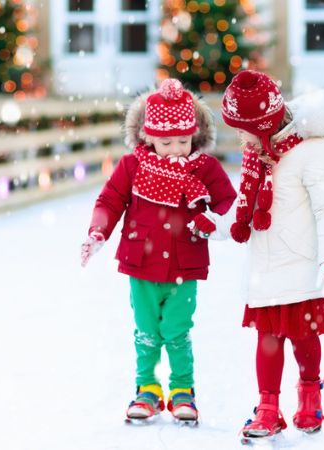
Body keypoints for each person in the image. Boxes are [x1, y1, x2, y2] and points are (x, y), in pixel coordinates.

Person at [80, 78, 236, 424]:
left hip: (186, 262)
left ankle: (182, 389)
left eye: (184, 140)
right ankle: (147, 388)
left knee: (178, 330)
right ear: (148, 136)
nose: (177, 148)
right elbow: (110, 200)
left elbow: (228, 202)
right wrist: (98, 231)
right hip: (141, 263)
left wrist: (213, 219)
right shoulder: (133, 167)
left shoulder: (204, 168)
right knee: (147, 330)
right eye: (166, 142)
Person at [208, 70, 324, 440]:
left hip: (302, 267)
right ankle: (268, 407)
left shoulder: (313, 152)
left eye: (242, 128)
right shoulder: (257, 157)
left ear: (264, 124)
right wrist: (217, 227)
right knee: (267, 340)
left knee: (304, 337)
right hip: (265, 269)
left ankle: (310, 394)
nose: (238, 136)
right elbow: (244, 205)